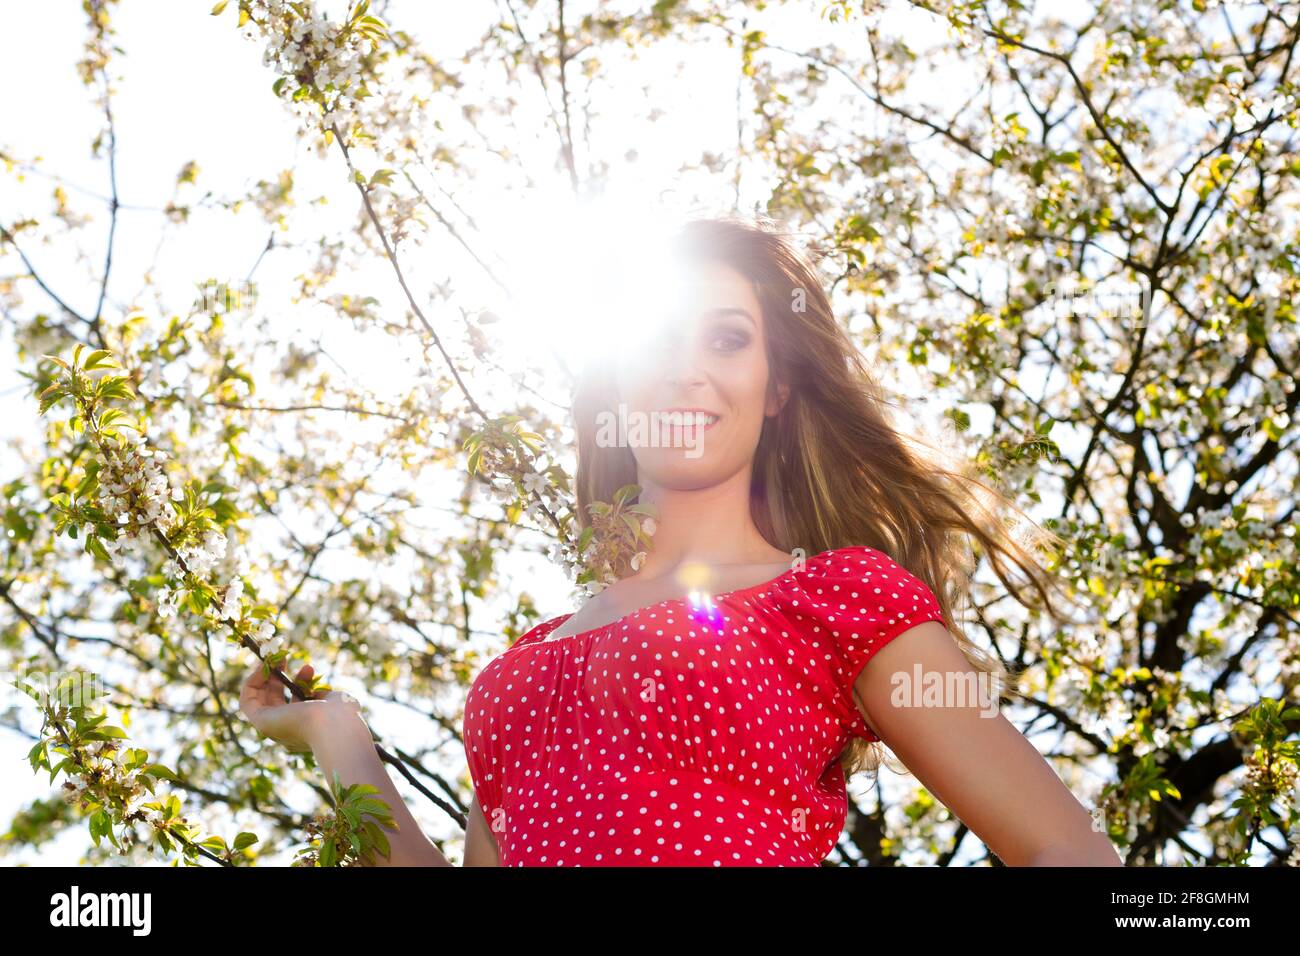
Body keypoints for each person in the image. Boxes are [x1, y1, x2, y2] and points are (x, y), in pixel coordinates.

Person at [240, 214, 1122, 867]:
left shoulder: (834, 597)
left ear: (776, 389)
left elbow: (1068, 854)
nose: (687, 366)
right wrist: (337, 737)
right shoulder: (519, 674)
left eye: (729, 338)